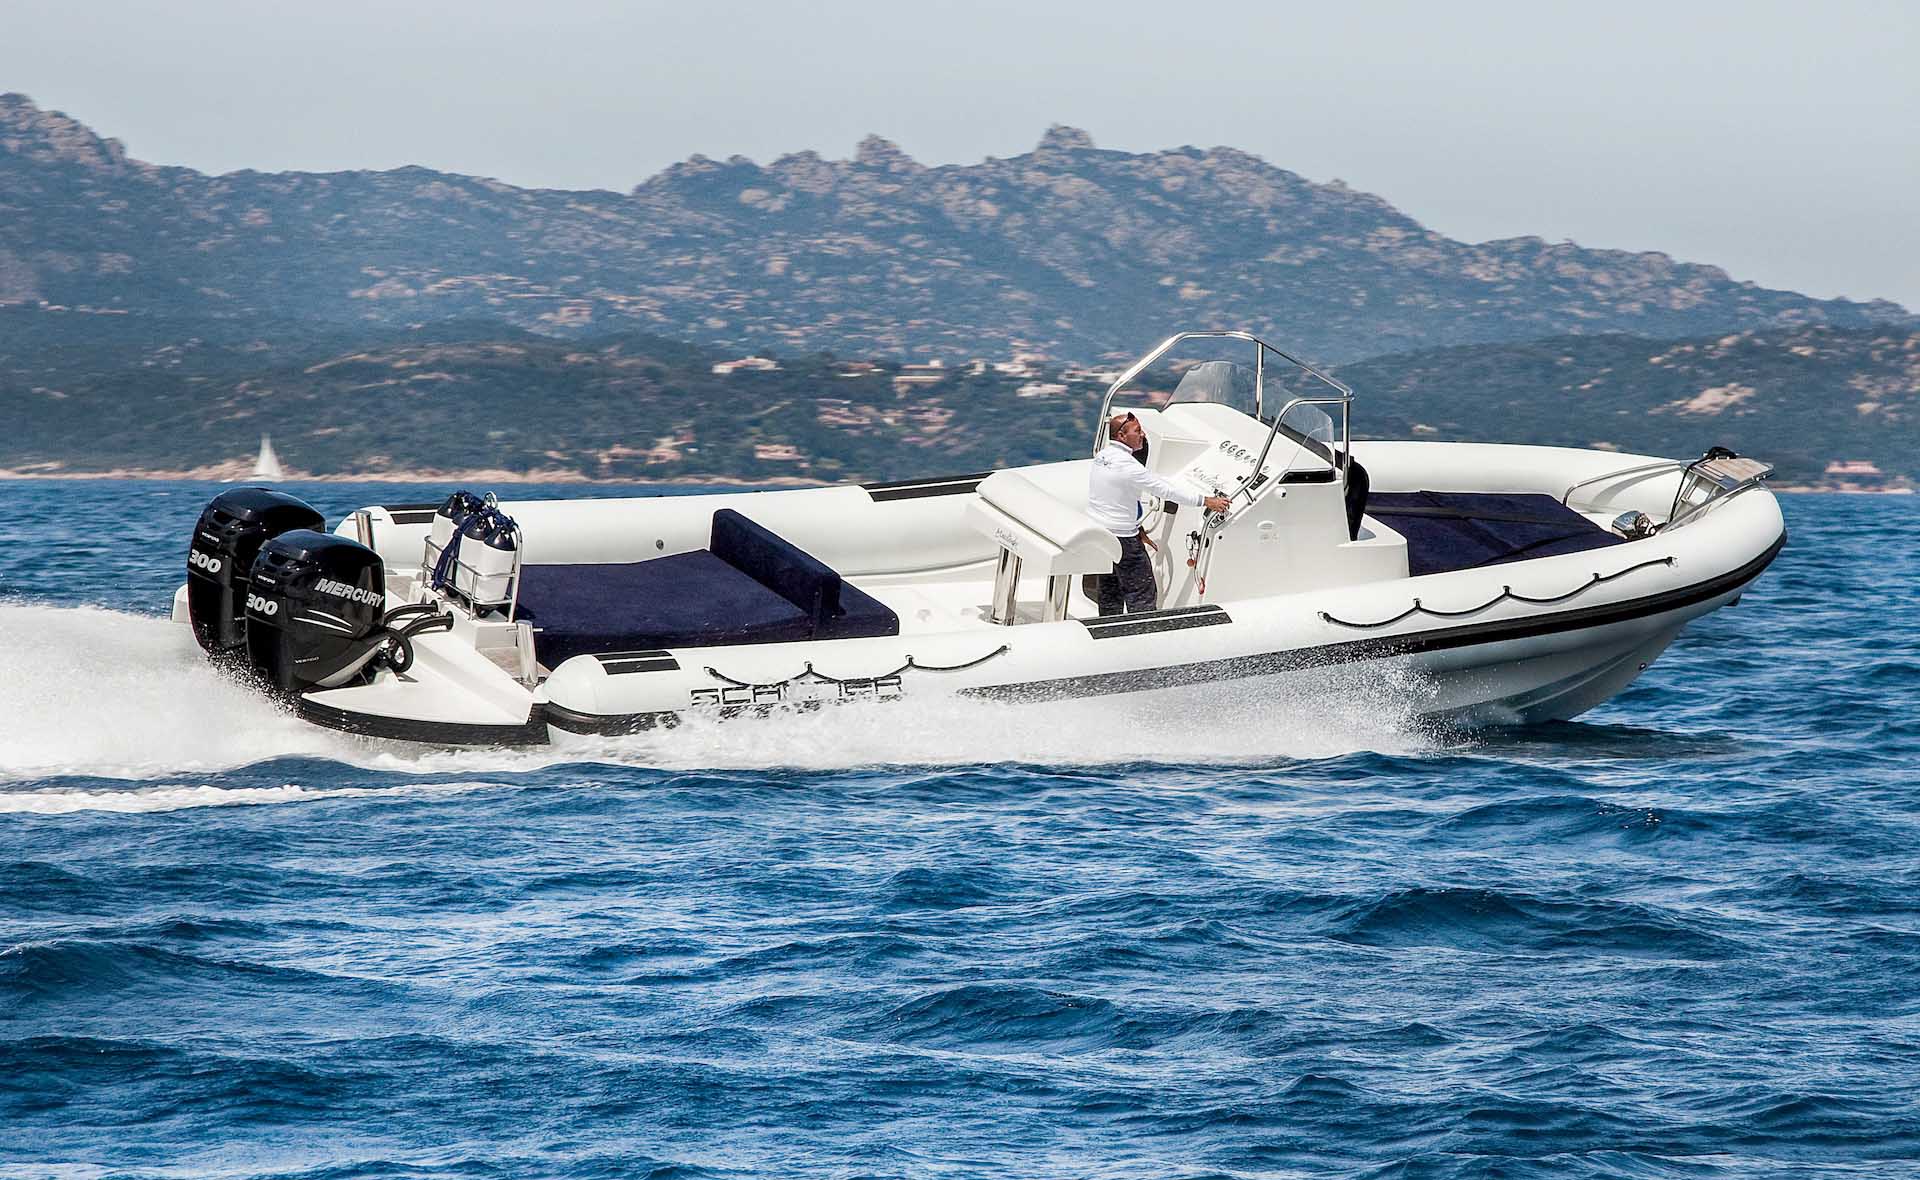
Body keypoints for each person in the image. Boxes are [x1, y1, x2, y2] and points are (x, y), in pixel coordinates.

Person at [1089, 412, 1230, 615]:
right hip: (1124, 541)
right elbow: (1166, 490)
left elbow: (1113, 499)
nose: (1143, 435)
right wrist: (1206, 501)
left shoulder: (1102, 457)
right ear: (1121, 436)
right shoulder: (1129, 466)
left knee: (1110, 591)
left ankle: (1108, 627)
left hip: (1103, 536)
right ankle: (1144, 631)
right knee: (1142, 593)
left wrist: (1138, 528)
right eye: (1137, 431)